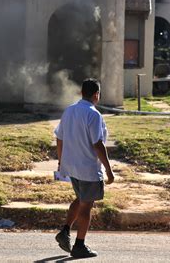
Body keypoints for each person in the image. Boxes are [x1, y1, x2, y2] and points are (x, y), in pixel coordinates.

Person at [54, 78, 115, 259]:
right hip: (88, 168)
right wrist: (109, 171)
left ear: (81, 93)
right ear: (97, 95)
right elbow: (98, 144)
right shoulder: (93, 114)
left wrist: (61, 161)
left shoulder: (69, 111)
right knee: (86, 206)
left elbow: (59, 137)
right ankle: (79, 245)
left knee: (81, 199)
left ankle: (65, 231)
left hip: (71, 166)